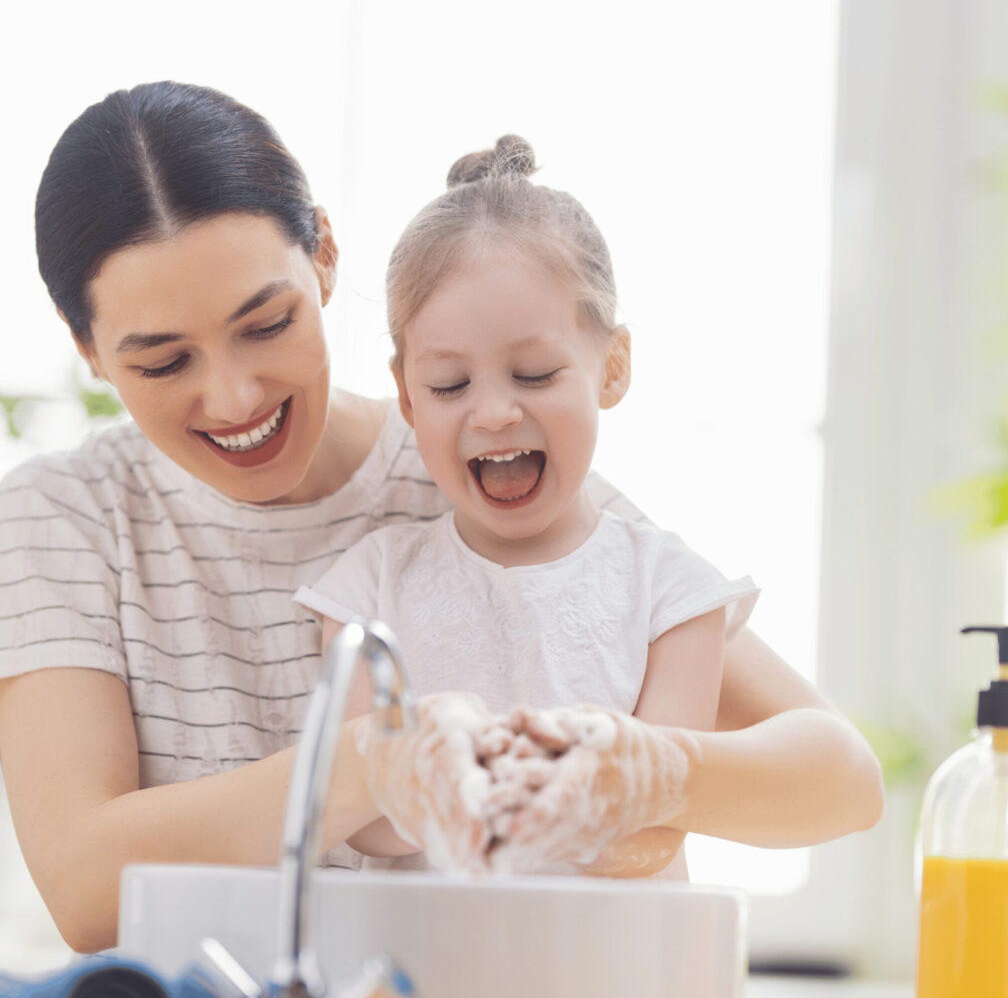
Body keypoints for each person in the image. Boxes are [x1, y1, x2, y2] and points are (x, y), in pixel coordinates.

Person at [0, 82, 883, 955]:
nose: (234, 396)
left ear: (326, 258)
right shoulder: (65, 521)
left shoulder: (473, 475)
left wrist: (652, 772)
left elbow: (839, 778)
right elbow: (85, 891)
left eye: (267, 324)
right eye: (163, 362)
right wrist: (370, 767)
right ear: (87, 350)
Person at [294, 135, 760, 877]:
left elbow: (657, 830)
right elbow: (360, 826)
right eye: (450, 385)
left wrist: (570, 787)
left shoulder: (674, 594)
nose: (495, 413)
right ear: (408, 394)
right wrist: (432, 778)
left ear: (612, 367)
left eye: (536, 374)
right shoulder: (366, 589)